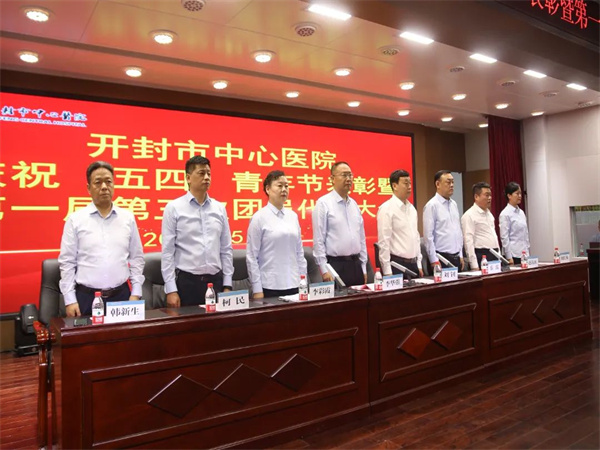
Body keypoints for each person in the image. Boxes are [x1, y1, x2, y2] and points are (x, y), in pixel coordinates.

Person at [58, 161, 145, 317]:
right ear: (88, 188)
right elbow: (67, 262)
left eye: (108, 181)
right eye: (98, 182)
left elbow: (136, 258)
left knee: (124, 334)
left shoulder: (127, 218)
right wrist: (70, 300)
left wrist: (136, 292)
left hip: (122, 296)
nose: (104, 187)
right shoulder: (75, 220)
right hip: (86, 298)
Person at [161, 156, 233, 307]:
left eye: (209, 173)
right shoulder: (174, 208)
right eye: (201, 173)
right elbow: (168, 252)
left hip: (216, 282)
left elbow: (226, 249)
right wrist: (171, 290)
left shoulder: (219, 208)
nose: (206, 177)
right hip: (188, 284)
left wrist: (227, 285)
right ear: (188, 178)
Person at [246, 170, 307, 298]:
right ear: (268, 189)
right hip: (270, 286)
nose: (284, 189)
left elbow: (299, 253)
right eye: (279, 185)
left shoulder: (293, 216)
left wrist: (304, 282)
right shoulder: (259, 218)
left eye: (286, 186)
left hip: (294, 283)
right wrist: (257, 289)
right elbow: (252, 257)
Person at [312, 161, 367, 286]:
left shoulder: (354, 205)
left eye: (350, 175)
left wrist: (363, 267)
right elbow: (319, 240)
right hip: (335, 266)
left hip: (356, 265)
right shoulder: (323, 204)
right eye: (344, 175)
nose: (348, 179)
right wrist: (324, 270)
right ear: (332, 179)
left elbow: (361, 238)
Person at [377, 170, 424, 279]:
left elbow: (416, 238)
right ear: (394, 186)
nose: (409, 187)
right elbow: (384, 242)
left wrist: (419, 264)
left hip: (413, 264)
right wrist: (387, 271)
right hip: (397, 265)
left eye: (410, 183)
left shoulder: (412, 209)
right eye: (405, 183)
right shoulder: (386, 208)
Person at [423, 170, 464, 271]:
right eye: (448, 182)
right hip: (440, 258)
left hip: (456, 257)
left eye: (453, 182)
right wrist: (433, 260)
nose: (452, 185)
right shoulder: (431, 205)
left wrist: (460, 254)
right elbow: (428, 236)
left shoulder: (454, 204)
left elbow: (458, 232)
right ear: (438, 184)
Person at [461, 182, 500, 270]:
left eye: (490, 195)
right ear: (476, 197)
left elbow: (494, 236)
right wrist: (474, 265)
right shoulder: (469, 215)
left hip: (494, 254)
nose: (489, 198)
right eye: (486, 195)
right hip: (481, 255)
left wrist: (499, 256)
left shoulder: (489, 214)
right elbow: (468, 242)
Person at [499, 182, 530, 265]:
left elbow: (525, 234)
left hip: (524, 254)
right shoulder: (505, 214)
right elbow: (504, 237)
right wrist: (509, 257)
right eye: (517, 193)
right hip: (513, 255)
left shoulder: (521, 213)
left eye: (520, 193)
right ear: (509, 196)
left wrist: (527, 251)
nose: (520, 196)